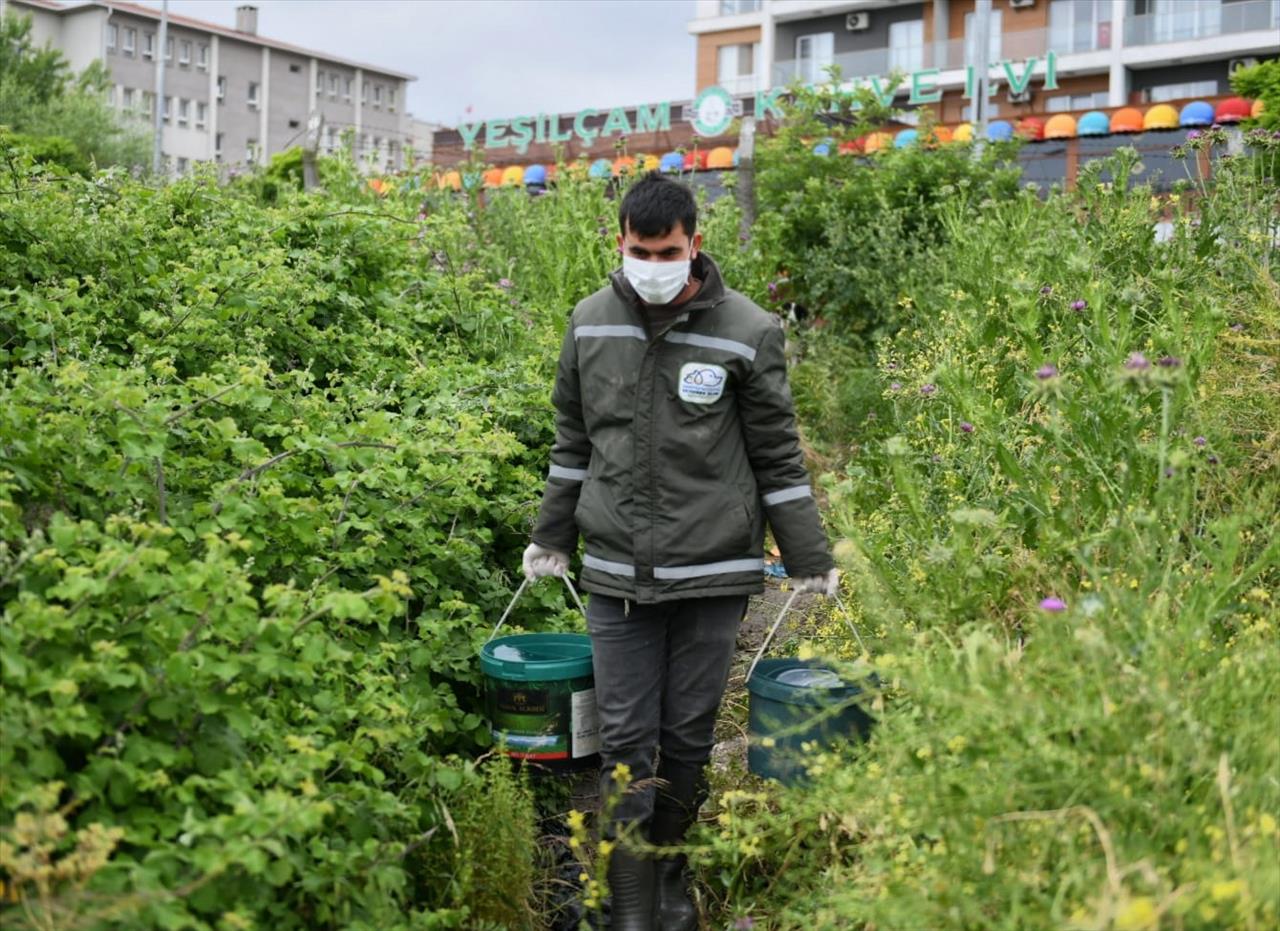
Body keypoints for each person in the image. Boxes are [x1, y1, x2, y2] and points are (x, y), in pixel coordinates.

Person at [522, 172, 837, 930]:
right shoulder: (590, 323)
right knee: (626, 739)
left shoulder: (748, 329)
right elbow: (572, 443)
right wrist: (551, 534)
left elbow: (776, 456)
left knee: (689, 735)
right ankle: (629, 906)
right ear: (620, 241)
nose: (652, 263)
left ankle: (669, 881)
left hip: (713, 570)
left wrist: (810, 555)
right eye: (639, 249)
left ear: (695, 243)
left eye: (666, 250)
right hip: (617, 573)